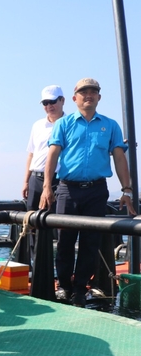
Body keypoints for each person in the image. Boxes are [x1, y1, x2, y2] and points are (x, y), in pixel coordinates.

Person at [40, 78, 136, 307]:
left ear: (99, 97)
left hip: (96, 190)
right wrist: (46, 186)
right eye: (84, 92)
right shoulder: (63, 124)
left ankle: (80, 289)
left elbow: (120, 158)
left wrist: (127, 190)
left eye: (93, 92)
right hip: (67, 189)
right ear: (74, 98)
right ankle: (63, 286)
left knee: (90, 242)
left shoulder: (111, 125)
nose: (88, 96)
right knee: (64, 240)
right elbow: (52, 155)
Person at [23, 85, 65, 211]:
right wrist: (26, 181)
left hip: (59, 180)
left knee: (56, 220)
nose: (49, 106)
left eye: (52, 101)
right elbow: (31, 154)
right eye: (45, 103)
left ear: (62, 100)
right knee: (32, 219)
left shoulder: (70, 124)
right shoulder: (37, 125)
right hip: (35, 179)